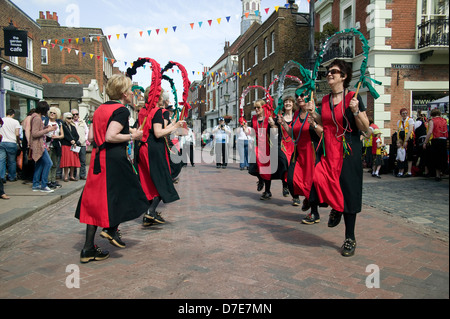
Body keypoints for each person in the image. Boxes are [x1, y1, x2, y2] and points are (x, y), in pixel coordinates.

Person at [75, 73, 149, 263]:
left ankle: (88, 248)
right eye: (131, 90)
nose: (132, 93)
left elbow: (91, 136)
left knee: (95, 201)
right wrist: (134, 136)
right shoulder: (122, 110)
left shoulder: (100, 109)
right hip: (113, 159)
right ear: (124, 93)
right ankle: (110, 230)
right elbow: (110, 136)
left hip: (98, 160)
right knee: (130, 193)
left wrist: (128, 131)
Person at [306, 59, 369, 257]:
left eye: (334, 71)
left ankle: (349, 238)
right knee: (317, 177)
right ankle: (336, 207)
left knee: (349, 193)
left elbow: (365, 128)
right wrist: (313, 115)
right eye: (328, 72)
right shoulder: (325, 100)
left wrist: (356, 111)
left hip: (349, 150)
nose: (329, 74)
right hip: (329, 149)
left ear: (344, 76)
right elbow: (326, 126)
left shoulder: (353, 97)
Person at [138, 88, 185, 226]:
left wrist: (173, 124)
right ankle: (150, 211)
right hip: (154, 147)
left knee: (149, 181)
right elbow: (159, 133)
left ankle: (149, 214)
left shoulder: (143, 111)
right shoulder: (157, 111)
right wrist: (175, 126)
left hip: (143, 147)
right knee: (163, 179)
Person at [279, 93, 324, 224]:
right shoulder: (297, 113)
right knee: (292, 180)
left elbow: (324, 132)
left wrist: (314, 125)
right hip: (298, 152)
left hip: (312, 152)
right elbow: (293, 133)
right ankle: (308, 200)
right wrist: (284, 125)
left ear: (310, 97)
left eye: (302, 95)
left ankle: (314, 213)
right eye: (297, 95)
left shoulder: (316, 112)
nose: (299, 98)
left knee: (310, 183)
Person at [248, 99, 279, 200]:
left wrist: (273, 125)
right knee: (253, 167)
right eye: (255, 108)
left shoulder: (268, 119)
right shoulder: (253, 119)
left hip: (267, 146)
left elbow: (275, 133)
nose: (256, 109)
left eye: (258, 107)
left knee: (266, 169)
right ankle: (260, 180)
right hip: (257, 146)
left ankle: (267, 191)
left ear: (263, 108)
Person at [30, 101, 57, 193]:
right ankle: (44, 185)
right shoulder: (37, 118)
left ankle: (36, 184)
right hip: (39, 145)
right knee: (49, 163)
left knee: (40, 164)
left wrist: (45, 129)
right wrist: (48, 130)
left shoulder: (35, 117)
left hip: (40, 144)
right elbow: (34, 133)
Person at [423, 108, 449, 181]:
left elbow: (430, 131)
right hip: (444, 139)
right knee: (442, 156)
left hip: (436, 139)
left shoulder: (432, 121)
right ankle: (441, 172)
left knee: (436, 157)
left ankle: (437, 175)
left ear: (432, 115)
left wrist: (425, 142)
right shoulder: (444, 120)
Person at [0, 109, 22, 182]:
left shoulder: (2, 120)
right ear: (13, 114)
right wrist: (18, 141)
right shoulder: (15, 122)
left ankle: (1, 177)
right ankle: (12, 177)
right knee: (12, 161)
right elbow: (17, 134)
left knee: (1, 160)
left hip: (2, 142)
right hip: (12, 142)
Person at [45, 107, 64, 189]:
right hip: (47, 145)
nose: (52, 114)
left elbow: (62, 135)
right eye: (51, 112)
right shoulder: (45, 122)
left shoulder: (59, 123)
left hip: (56, 145)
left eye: (54, 113)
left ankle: (53, 180)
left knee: (55, 164)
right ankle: (48, 181)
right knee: (48, 163)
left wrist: (57, 137)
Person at [60, 112, 80, 182]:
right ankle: (65, 176)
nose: (70, 119)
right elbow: (63, 136)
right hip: (66, 145)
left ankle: (71, 175)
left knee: (72, 162)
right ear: (65, 118)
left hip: (73, 146)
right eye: (68, 118)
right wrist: (70, 140)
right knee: (66, 161)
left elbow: (77, 136)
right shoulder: (63, 126)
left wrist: (74, 141)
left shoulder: (73, 127)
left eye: (71, 118)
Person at [71, 108, 89, 180]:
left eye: (76, 114)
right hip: (74, 144)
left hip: (82, 144)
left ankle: (82, 175)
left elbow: (87, 131)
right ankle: (74, 175)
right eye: (74, 114)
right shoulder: (70, 122)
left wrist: (85, 139)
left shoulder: (83, 122)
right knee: (74, 161)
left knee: (83, 160)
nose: (75, 115)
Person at [397, 108, 415, 177]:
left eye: (406, 113)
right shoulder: (399, 122)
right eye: (403, 113)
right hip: (401, 140)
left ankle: (409, 171)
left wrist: (406, 141)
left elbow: (410, 130)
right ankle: (401, 171)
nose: (404, 114)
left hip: (408, 139)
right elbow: (398, 131)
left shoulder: (410, 120)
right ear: (401, 114)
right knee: (401, 155)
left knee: (409, 155)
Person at [21, 109, 36, 184]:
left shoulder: (26, 118)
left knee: (27, 158)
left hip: (25, 140)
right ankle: (29, 177)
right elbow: (27, 130)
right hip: (28, 140)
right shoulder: (29, 118)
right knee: (30, 159)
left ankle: (25, 176)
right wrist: (29, 142)